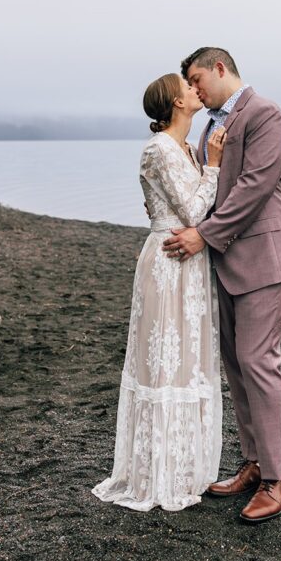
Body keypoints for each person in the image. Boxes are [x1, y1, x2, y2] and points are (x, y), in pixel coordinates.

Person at [162, 47, 281, 523]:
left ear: (220, 68)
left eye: (198, 79)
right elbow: (210, 184)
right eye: (191, 84)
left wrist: (201, 235)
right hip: (225, 261)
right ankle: (254, 461)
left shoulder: (265, 114)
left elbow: (254, 187)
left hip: (265, 257)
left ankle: (279, 478)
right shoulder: (209, 127)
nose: (195, 90)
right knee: (235, 362)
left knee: (258, 361)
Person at [91, 73, 227, 511]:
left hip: (190, 261)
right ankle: (156, 472)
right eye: (187, 88)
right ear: (175, 101)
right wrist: (215, 167)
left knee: (189, 360)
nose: (195, 91)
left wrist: (204, 164)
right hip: (169, 261)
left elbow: (175, 205)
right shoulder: (159, 149)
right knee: (164, 363)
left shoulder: (186, 148)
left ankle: (186, 466)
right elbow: (190, 209)